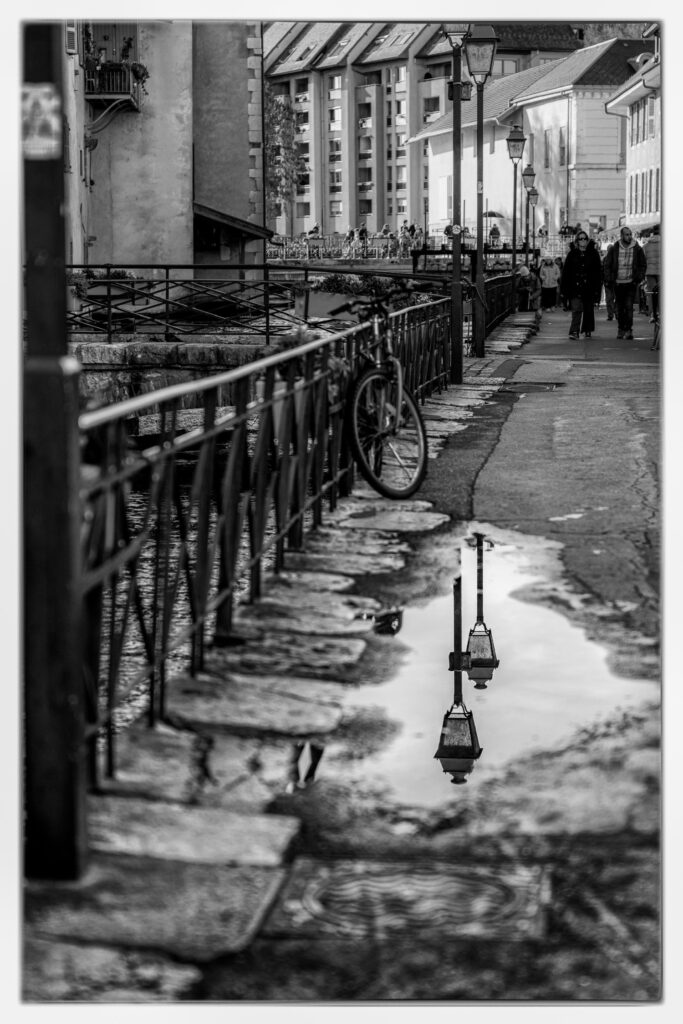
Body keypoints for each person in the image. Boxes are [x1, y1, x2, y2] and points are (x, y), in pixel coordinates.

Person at [602, 225, 647, 340]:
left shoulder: (637, 248)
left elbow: (643, 264)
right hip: (617, 283)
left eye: (630, 234)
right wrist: (610, 279)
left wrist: (638, 278)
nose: (629, 236)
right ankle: (621, 328)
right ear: (621, 236)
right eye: (627, 234)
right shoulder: (614, 248)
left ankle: (628, 330)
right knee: (620, 307)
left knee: (628, 306)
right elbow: (607, 265)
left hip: (631, 283)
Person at [560, 230, 602, 339]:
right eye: (580, 239)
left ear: (587, 240)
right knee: (576, 309)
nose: (583, 241)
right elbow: (566, 272)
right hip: (575, 286)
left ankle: (588, 329)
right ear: (577, 241)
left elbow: (598, 272)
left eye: (585, 238)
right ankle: (574, 331)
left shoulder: (593, 253)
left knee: (588, 309)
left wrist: (597, 288)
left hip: (589, 287)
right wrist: (564, 289)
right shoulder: (572, 254)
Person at [641, 225, 661, 321]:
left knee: (651, 293)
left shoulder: (646, 246)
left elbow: (643, 261)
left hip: (649, 272)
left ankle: (653, 314)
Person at [601, 244, 616, 321]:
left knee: (610, 299)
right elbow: (603, 271)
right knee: (609, 299)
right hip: (610, 281)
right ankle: (612, 314)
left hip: (613, 281)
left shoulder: (606, 259)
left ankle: (613, 314)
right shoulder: (605, 259)